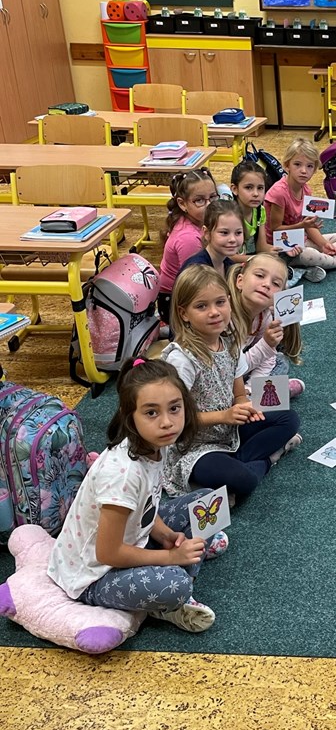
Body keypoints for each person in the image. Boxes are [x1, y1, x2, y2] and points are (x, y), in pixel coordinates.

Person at [47, 358, 226, 633]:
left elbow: (147, 506)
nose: (167, 422)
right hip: (93, 574)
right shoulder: (122, 474)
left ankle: (183, 562)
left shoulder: (154, 443)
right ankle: (175, 592)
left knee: (209, 502)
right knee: (176, 585)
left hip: (132, 539)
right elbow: (108, 553)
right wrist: (170, 557)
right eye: (151, 412)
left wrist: (166, 535)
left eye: (174, 408)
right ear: (130, 416)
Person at [161, 265, 301, 501]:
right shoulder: (182, 359)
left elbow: (239, 396)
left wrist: (246, 406)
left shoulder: (230, 345)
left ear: (229, 301)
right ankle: (268, 459)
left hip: (229, 430)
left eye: (220, 302)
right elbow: (174, 418)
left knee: (290, 419)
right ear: (184, 313)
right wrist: (224, 416)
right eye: (201, 306)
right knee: (244, 480)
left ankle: (236, 465)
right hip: (193, 446)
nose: (214, 312)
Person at [264, 137, 336, 270]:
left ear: (314, 169)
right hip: (281, 247)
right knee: (309, 255)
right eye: (297, 164)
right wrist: (301, 226)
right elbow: (275, 229)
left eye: (309, 166)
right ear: (287, 165)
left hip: (301, 240)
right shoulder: (279, 193)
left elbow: (309, 226)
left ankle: (323, 261)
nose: (304, 171)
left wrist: (323, 245)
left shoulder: (306, 190)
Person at [228, 252, 305, 398]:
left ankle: (260, 396)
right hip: (220, 377)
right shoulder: (226, 316)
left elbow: (267, 360)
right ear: (240, 281)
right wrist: (266, 344)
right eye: (259, 275)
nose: (267, 284)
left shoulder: (264, 316)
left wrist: (250, 388)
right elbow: (230, 369)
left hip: (240, 371)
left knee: (280, 361)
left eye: (276, 284)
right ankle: (273, 394)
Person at [157, 169, 218, 323]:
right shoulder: (188, 239)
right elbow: (197, 282)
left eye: (213, 197)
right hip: (174, 303)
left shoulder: (199, 220)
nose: (209, 205)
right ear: (182, 204)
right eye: (199, 200)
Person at [178, 199, 244, 280]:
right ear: (207, 233)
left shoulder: (231, 266)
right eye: (224, 233)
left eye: (238, 233)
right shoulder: (195, 271)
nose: (233, 239)